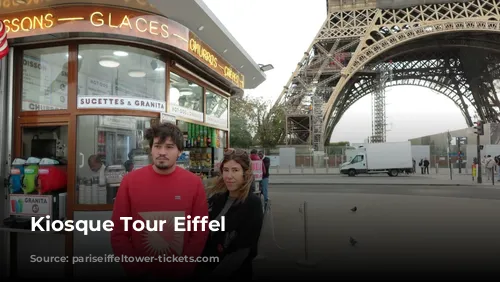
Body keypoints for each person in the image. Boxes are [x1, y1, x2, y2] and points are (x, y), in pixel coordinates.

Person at [110, 122, 209, 279]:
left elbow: (199, 232)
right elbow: (118, 232)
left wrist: (183, 270)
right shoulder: (130, 182)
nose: (162, 152)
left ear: (179, 151)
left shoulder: (194, 183)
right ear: (151, 148)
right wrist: (136, 270)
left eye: (169, 147)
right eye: (157, 146)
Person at [196, 148, 264, 280]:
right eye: (226, 170)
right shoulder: (216, 199)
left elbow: (242, 251)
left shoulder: (252, 204)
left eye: (235, 170)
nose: (229, 176)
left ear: (245, 173)